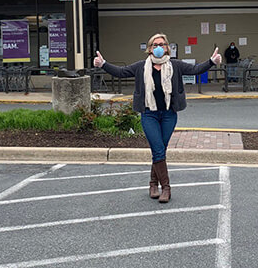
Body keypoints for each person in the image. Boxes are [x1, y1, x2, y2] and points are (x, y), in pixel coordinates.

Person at [94, 33, 222, 203]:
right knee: (158, 149)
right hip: (149, 114)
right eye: (155, 45)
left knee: (159, 150)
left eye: (162, 44)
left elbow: (194, 70)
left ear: (167, 47)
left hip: (169, 114)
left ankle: (153, 184)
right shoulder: (141, 67)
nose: (159, 47)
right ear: (150, 48)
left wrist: (211, 62)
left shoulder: (174, 65)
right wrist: (103, 64)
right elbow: (121, 72)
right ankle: (166, 189)